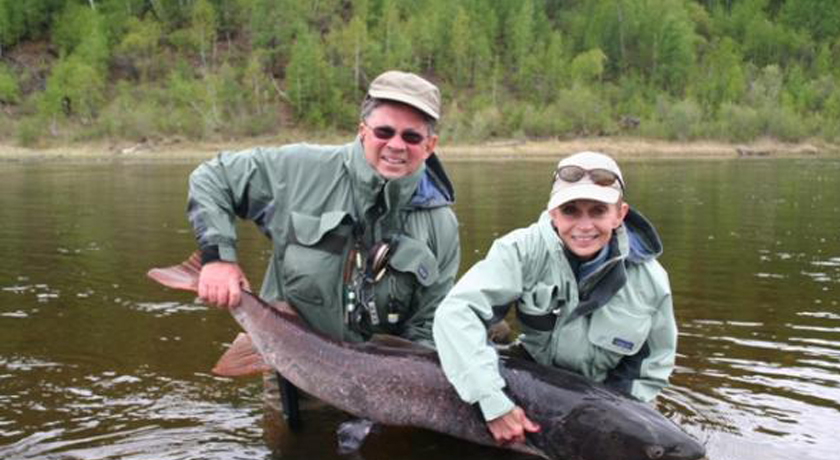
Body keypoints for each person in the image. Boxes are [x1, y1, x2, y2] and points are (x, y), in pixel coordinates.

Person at [186, 70, 459, 420]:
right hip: (290, 369)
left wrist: (399, 396)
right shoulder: (301, 171)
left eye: (411, 136)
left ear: (430, 145)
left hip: (382, 391)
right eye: (384, 132)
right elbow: (213, 178)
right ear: (363, 132)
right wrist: (217, 257)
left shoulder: (441, 224)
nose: (396, 145)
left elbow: (428, 322)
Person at [433, 151, 677, 446]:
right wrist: (491, 401)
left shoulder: (651, 282)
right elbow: (456, 313)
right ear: (552, 213)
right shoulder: (521, 251)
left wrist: (618, 429)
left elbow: (652, 367)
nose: (584, 226)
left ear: (619, 214)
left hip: (604, 393)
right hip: (532, 376)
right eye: (570, 210)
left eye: (598, 211)